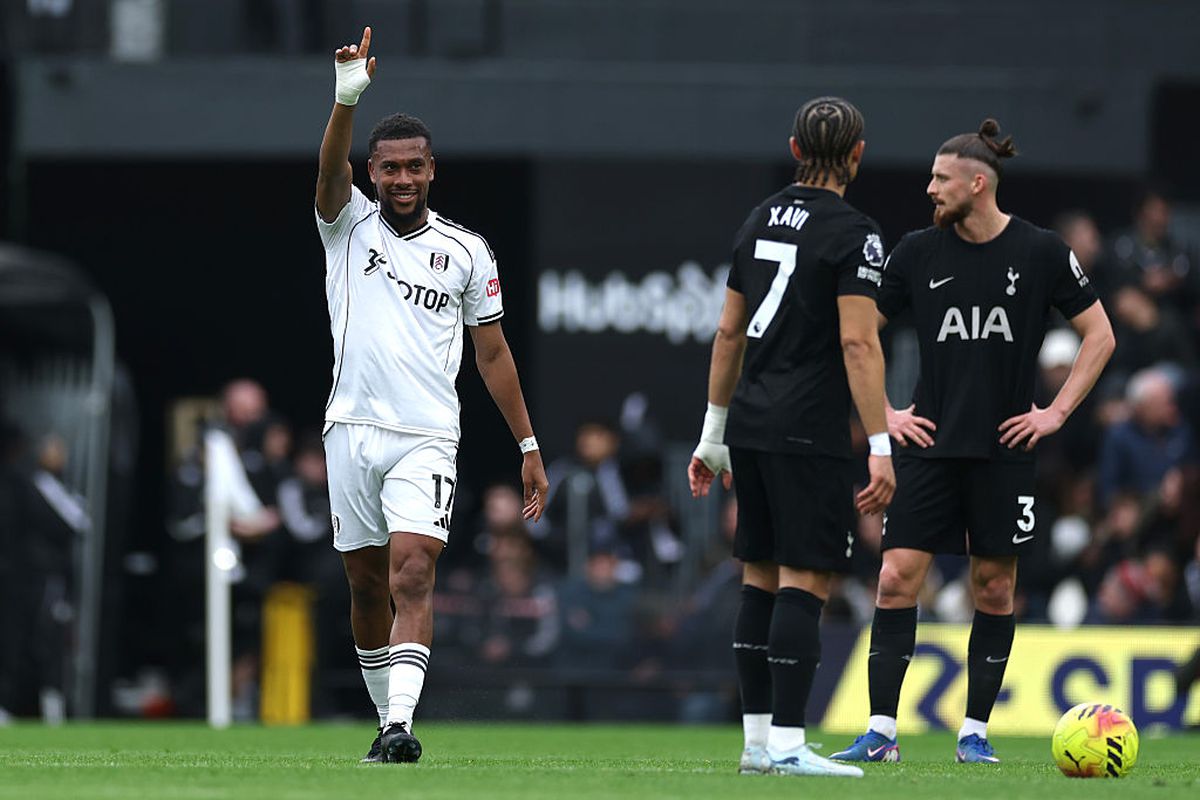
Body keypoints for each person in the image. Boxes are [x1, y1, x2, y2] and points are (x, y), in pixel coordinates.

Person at [830, 119, 1115, 765]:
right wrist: (885, 414)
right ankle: (881, 733)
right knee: (897, 577)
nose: (930, 189)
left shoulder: (1042, 251)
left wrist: (1056, 412)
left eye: (940, 179)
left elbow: (1100, 335)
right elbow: (858, 334)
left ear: (977, 183)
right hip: (929, 445)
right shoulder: (914, 253)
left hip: (1006, 450)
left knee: (993, 588)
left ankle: (974, 733)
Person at [314, 27, 548, 764]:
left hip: (426, 434)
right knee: (364, 584)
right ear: (373, 174)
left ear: (432, 170)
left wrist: (529, 444)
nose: (403, 178)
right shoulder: (345, 226)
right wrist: (347, 99)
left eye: (415, 166)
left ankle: (400, 727)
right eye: (390, 168)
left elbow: (493, 352)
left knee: (414, 568)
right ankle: (385, 719)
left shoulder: (468, 251)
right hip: (350, 429)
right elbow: (327, 177)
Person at [687, 96, 895, 779]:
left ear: (794, 149)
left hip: (747, 420)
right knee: (806, 582)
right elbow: (859, 343)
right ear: (857, 156)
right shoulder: (856, 232)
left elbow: (727, 332)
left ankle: (754, 745)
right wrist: (881, 443)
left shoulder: (758, 217)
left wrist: (711, 433)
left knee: (758, 580)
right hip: (809, 429)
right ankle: (785, 744)